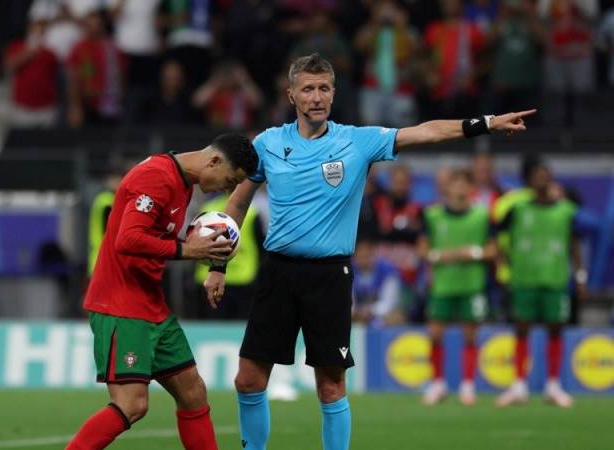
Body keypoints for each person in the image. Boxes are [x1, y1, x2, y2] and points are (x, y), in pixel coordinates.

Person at [203, 53, 535, 450]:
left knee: (330, 386)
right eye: (307, 88)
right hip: (278, 273)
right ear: (291, 94)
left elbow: (424, 132)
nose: (316, 97)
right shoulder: (268, 144)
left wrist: (486, 124)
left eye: (324, 88)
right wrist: (218, 265)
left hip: (329, 277)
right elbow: (236, 205)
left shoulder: (356, 141)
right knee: (249, 379)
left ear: (333, 93)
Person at [65, 133, 258, 450]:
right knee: (133, 404)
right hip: (120, 303)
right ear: (214, 161)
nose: (228, 190)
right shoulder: (156, 177)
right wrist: (187, 250)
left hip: (150, 303)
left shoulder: (181, 182)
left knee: (193, 392)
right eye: (230, 180)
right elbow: (126, 240)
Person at [495, 158, 585, 408]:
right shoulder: (517, 210)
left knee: (555, 328)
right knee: (521, 329)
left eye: (546, 173)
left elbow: (574, 245)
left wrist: (580, 275)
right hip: (524, 279)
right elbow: (496, 240)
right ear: (528, 181)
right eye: (537, 174)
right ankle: (518, 385)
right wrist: (503, 269)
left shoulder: (566, 210)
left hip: (555, 279)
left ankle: (553, 385)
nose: (543, 178)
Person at [419, 169, 496, 406]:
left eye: (465, 183)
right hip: (442, 284)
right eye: (456, 183)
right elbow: (422, 250)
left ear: (471, 188)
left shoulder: (482, 215)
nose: (460, 188)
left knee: (471, 336)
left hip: (472, 284)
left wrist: (472, 253)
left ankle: (468, 386)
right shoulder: (432, 215)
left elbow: (493, 251)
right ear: (447, 188)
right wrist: (440, 256)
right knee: (434, 334)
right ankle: (438, 384)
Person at [351, 237, 403, 327]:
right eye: (360, 256)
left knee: (394, 317)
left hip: (382, 313)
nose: (363, 259)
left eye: (367, 255)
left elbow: (389, 302)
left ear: (373, 253)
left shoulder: (387, 270)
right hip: (358, 314)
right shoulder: (350, 271)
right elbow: (349, 299)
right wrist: (356, 311)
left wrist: (371, 310)